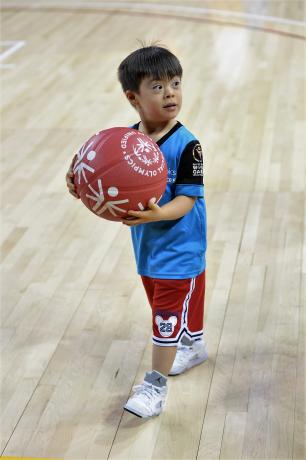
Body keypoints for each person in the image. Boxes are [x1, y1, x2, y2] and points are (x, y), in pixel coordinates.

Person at [66, 45, 208, 419]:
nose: (171, 93)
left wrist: (155, 215)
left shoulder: (187, 145)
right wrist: (79, 181)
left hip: (180, 247)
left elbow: (188, 202)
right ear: (133, 97)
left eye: (175, 84)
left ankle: (154, 389)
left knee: (164, 315)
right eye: (158, 86)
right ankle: (193, 344)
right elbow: (101, 177)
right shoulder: (125, 142)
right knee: (169, 308)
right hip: (148, 248)